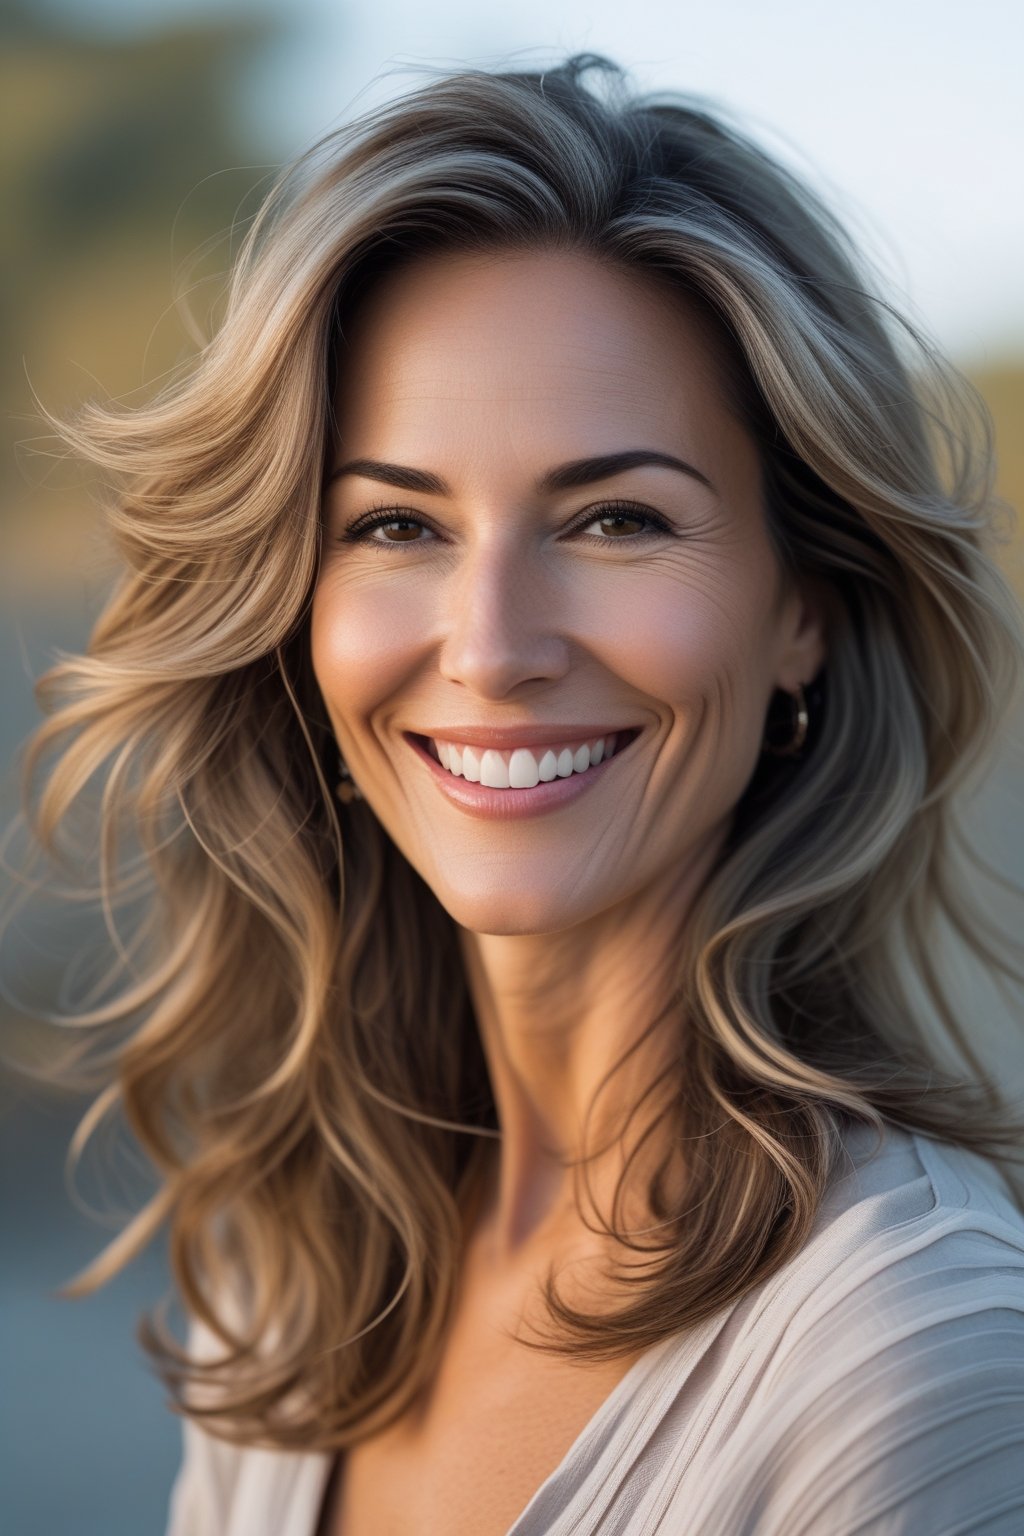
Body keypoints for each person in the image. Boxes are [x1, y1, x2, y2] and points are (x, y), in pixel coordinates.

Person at [11, 52, 1024, 1535]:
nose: (489, 646)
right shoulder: (287, 1278)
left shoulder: (914, 1373)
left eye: (617, 519)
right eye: (397, 523)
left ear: (806, 601)